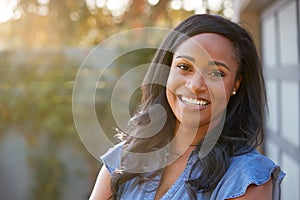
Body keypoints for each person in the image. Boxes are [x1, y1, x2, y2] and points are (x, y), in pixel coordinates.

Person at [89, 14, 285, 200]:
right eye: (184, 67)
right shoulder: (124, 157)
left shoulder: (248, 177)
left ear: (236, 83)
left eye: (216, 73)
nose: (195, 86)